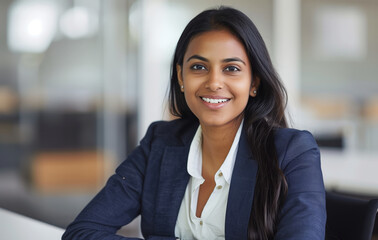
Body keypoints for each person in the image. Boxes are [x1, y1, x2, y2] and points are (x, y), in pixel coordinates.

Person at [62, 6, 326, 240]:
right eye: (199, 67)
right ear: (180, 76)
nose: (213, 82)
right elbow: (82, 231)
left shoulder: (293, 151)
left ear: (254, 82)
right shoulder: (160, 142)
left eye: (231, 69)